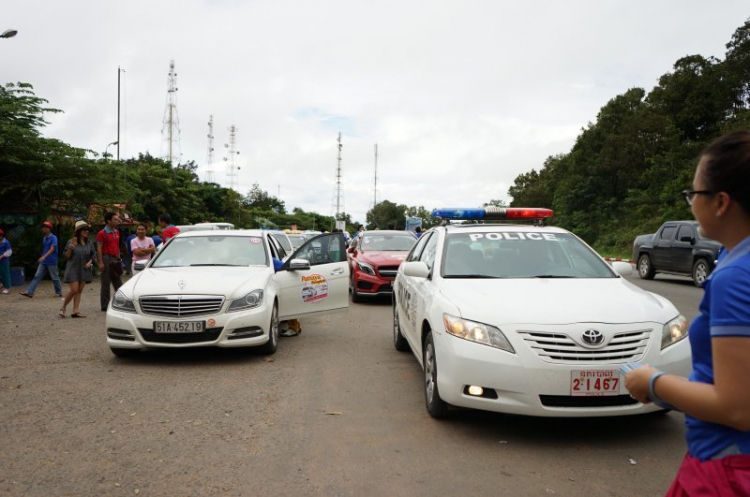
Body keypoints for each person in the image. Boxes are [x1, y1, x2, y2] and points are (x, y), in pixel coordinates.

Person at [625, 130, 750, 495]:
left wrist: (652, 383)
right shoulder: (731, 256)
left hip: (727, 468)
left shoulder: (736, 276)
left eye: (693, 194)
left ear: (721, 201)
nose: (691, 203)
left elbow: (737, 408)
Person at [60, 220, 96, 318]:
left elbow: (93, 254)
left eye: (88, 229)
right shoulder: (72, 241)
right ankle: (63, 308)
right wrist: (70, 249)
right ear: (79, 231)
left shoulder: (89, 243)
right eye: (84, 229)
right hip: (73, 268)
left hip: (84, 268)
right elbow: (66, 256)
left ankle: (75, 311)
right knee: (74, 290)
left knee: (79, 291)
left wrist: (90, 262)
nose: (86, 231)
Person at [20, 221, 63, 298]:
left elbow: (52, 249)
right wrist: (43, 258)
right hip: (44, 261)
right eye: (43, 227)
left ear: (50, 229)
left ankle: (59, 292)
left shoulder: (54, 238)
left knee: (54, 277)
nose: (44, 228)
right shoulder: (44, 238)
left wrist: (43, 257)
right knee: (37, 276)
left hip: (52, 261)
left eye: (46, 227)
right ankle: (29, 292)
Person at [97, 211, 123, 311]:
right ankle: (105, 305)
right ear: (108, 221)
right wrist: (100, 262)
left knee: (118, 280)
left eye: (117, 219)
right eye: (115, 219)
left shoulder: (116, 232)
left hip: (115, 258)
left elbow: (117, 246)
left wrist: (119, 258)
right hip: (106, 258)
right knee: (105, 282)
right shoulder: (102, 233)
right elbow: (99, 248)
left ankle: (121, 302)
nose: (117, 221)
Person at [0, 229, 11, 294]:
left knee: (5, 274)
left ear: (1, 236)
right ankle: (1, 284)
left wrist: (2, 256)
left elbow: (9, 251)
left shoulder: (6, 242)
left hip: (4, 261)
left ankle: (7, 288)